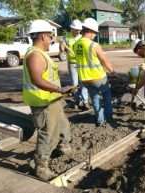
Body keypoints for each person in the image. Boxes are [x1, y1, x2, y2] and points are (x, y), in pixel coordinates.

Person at [22, 20, 74, 181]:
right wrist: (59, 89)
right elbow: (37, 79)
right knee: (47, 134)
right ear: (43, 36)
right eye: (51, 36)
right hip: (43, 102)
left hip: (51, 100)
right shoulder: (35, 55)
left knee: (62, 125)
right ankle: (41, 166)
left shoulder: (40, 54)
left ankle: (62, 146)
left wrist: (60, 92)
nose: (52, 40)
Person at [74, 18, 114, 127]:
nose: (95, 35)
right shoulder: (94, 45)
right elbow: (104, 60)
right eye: (95, 33)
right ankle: (109, 116)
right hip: (98, 77)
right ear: (91, 31)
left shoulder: (76, 44)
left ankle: (100, 120)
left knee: (95, 98)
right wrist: (112, 71)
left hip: (85, 79)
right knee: (106, 95)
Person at [60, 19, 89, 110]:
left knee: (83, 83)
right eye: (76, 29)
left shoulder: (82, 38)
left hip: (82, 63)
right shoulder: (67, 38)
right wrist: (62, 45)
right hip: (72, 63)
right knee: (75, 84)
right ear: (71, 29)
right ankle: (77, 101)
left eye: (79, 30)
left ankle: (85, 101)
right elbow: (61, 49)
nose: (77, 31)